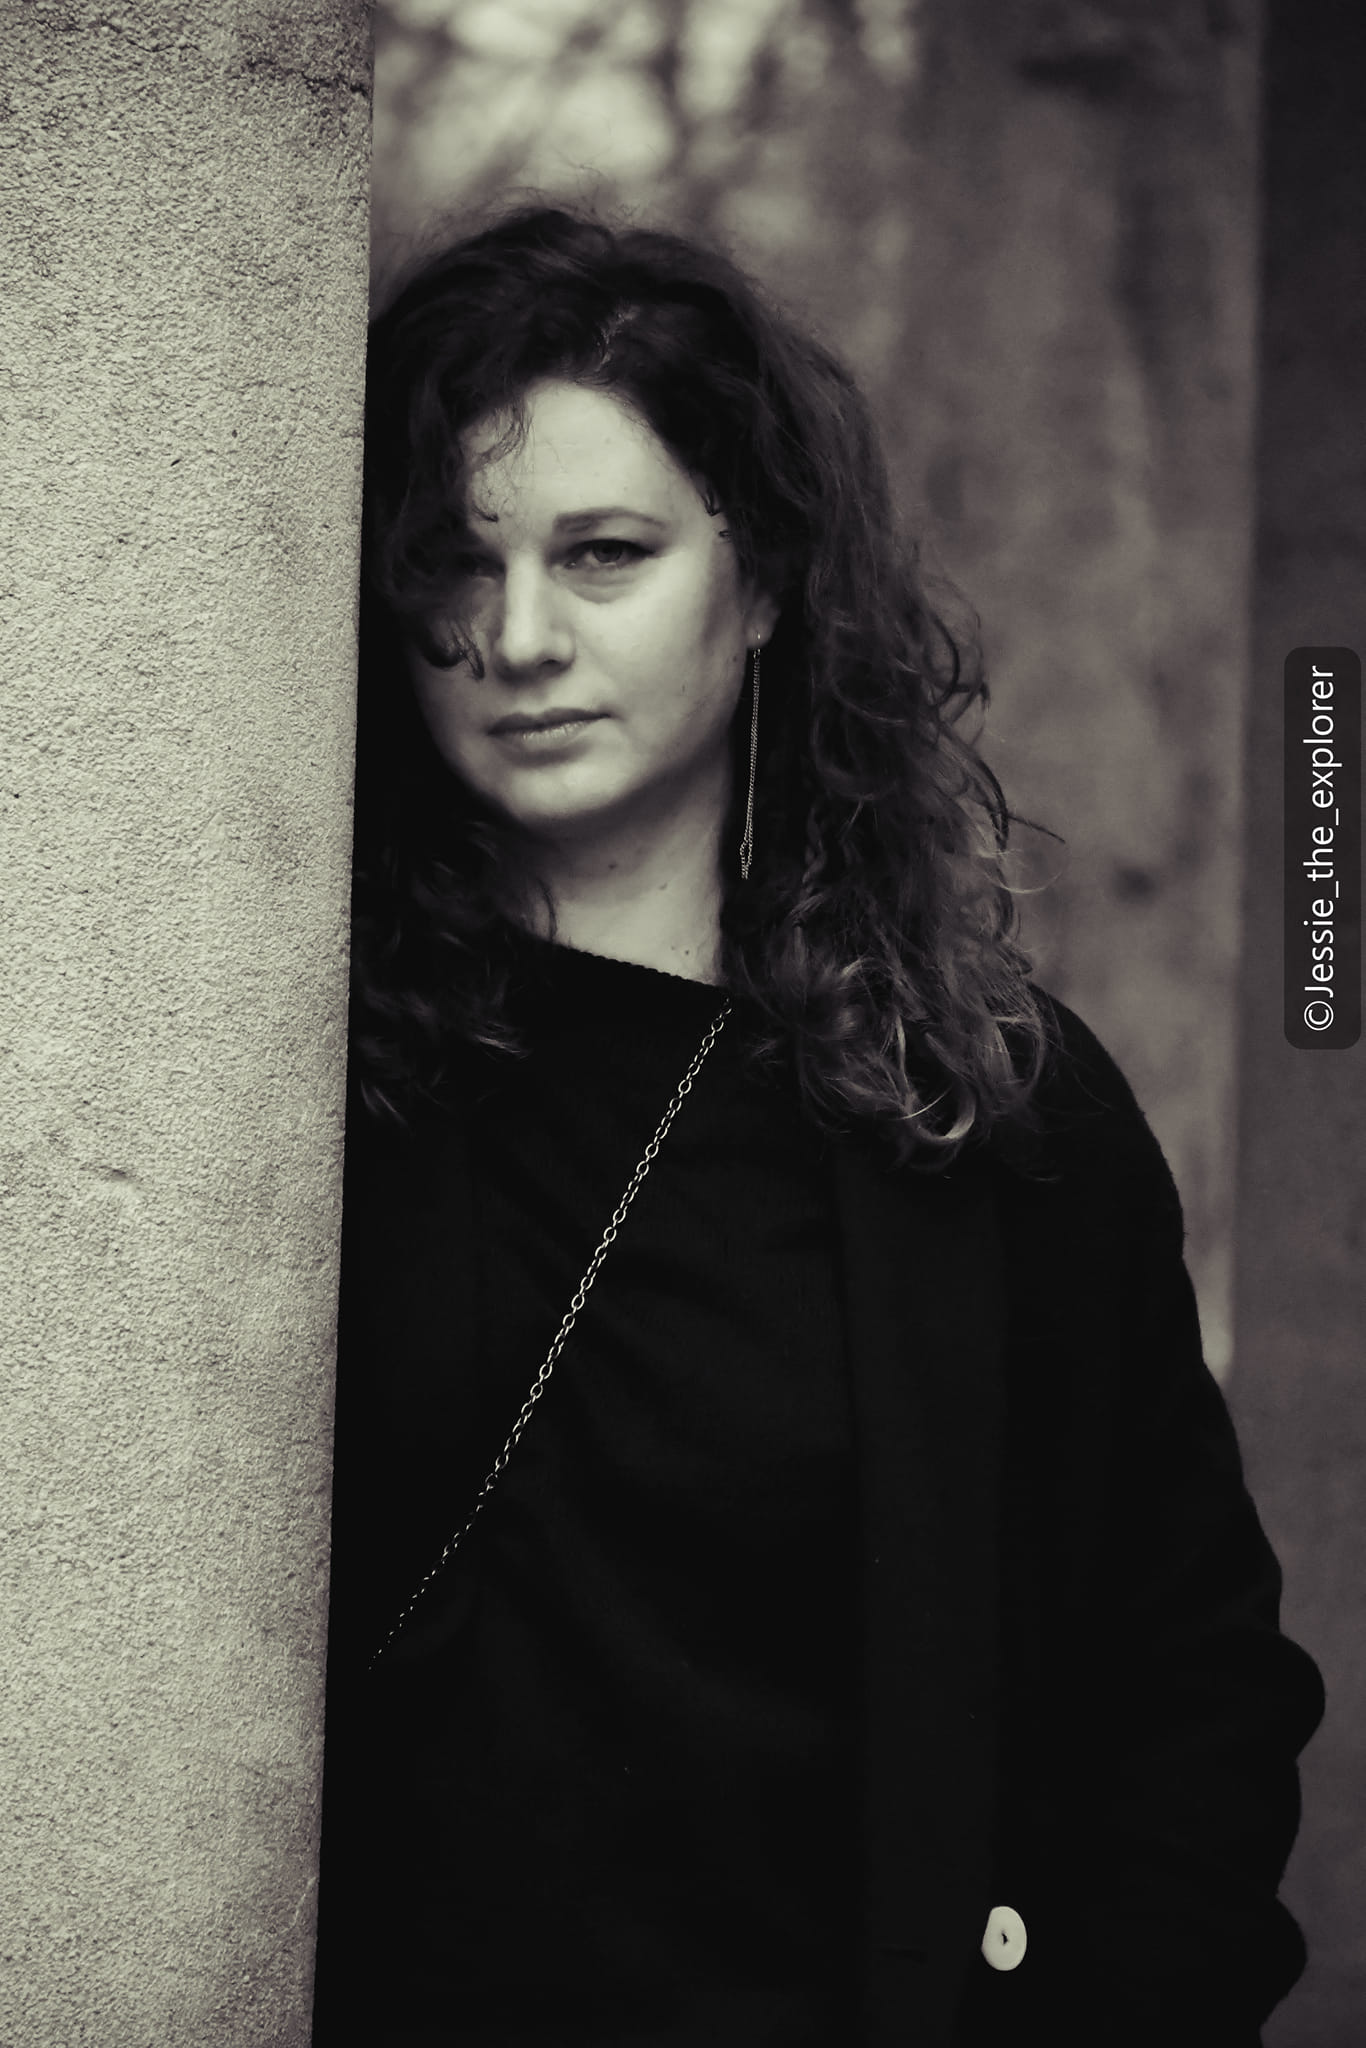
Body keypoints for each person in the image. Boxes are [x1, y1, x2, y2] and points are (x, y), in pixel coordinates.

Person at [312, 206, 1324, 2048]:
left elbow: (1184, 1682)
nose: (516, 637)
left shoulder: (986, 1106)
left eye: (603, 555)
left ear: (763, 578)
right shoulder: (294, 1080)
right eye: (453, 562)